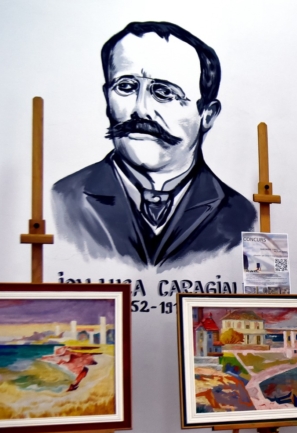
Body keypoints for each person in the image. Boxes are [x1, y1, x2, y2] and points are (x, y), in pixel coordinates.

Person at [52, 21, 257, 270]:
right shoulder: (61, 199)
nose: (140, 110)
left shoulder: (242, 215)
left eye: (164, 92)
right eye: (125, 87)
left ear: (207, 115)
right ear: (107, 97)